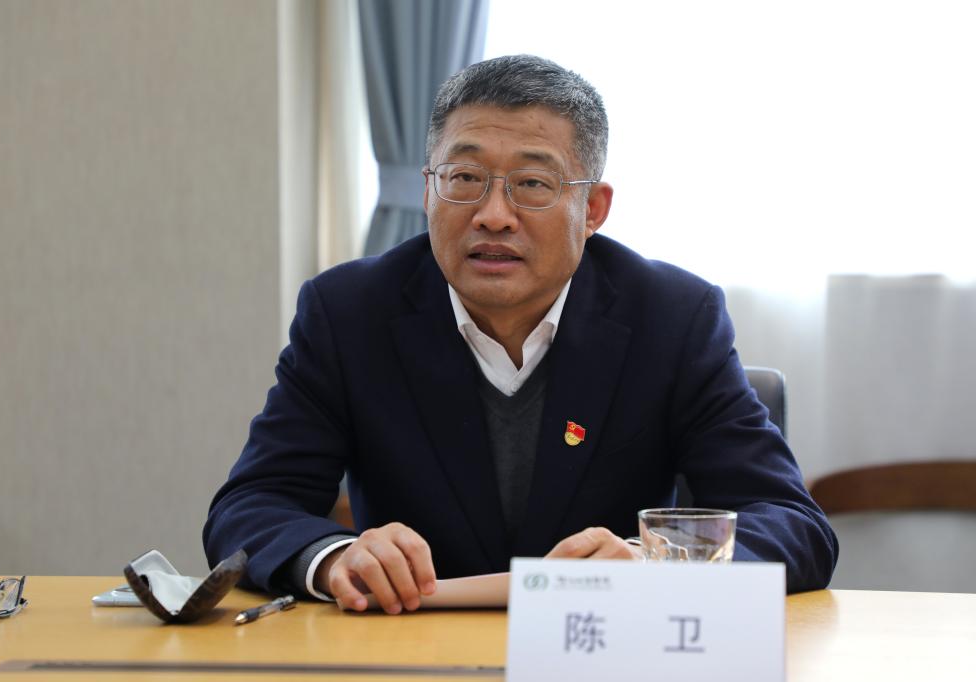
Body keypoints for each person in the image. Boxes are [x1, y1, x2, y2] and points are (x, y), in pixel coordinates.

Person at [204, 54, 838, 614]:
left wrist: (657, 565)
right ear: (428, 191)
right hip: (412, 648)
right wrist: (332, 558)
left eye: (532, 185)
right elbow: (252, 504)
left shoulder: (672, 318)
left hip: (602, 652)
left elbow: (792, 524)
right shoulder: (349, 313)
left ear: (592, 209)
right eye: (464, 179)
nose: (493, 216)